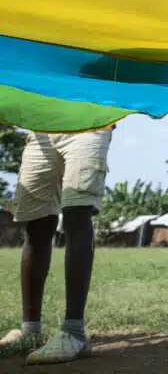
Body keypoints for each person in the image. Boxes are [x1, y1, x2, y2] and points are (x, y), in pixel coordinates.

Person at [0, 127, 113, 365]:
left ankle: (74, 332)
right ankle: (30, 330)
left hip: (90, 121)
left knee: (76, 213)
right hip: (41, 129)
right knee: (36, 223)